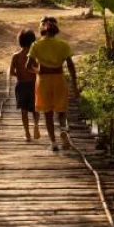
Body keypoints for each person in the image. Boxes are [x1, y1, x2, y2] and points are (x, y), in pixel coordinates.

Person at [26, 16, 76, 152]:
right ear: (56, 29)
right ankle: (63, 128)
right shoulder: (63, 45)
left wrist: (38, 71)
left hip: (43, 82)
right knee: (62, 109)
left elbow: (28, 66)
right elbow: (71, 66)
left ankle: (53, 143)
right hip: (59, 80)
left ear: (43, 29)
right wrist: (75, 85)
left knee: (48, 113)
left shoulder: (36, 45)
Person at [9, 29, 40, 141]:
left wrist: (19, 74)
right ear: (33, 42)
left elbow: (11, 72)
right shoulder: (34, 56)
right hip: (33, 85)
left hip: (21, 85)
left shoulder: (15, 56)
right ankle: (36, 125)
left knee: (24, 110)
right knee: (36, 108)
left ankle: (27, 133)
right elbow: (38, 69)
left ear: (20, 41)